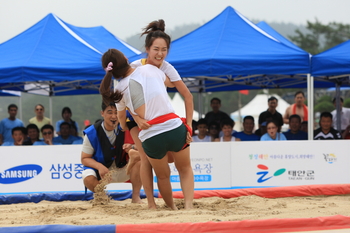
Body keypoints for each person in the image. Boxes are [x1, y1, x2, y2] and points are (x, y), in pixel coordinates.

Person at [100, 48, 194, 210]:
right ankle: (188, 205)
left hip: (149, 132)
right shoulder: (150, 68)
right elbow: (170, 84)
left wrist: (124, 126)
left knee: (161, 175)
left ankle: (169, 207)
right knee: (184, 168)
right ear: (125, 58)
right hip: (171, 124)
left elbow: (122, 117)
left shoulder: (118, 88)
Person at [81, 102, 142, 203]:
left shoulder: (129, 127)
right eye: (110, 112)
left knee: (139, 160)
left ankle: (136, 197)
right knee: (87, 177)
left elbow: (142, 148)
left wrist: (132, 147)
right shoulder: (92, 132)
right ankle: (103, 197)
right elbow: (84, 158)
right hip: (102, 171)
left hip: (123, 168)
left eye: (116, 112)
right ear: (102, 113)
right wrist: (99, 166)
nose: (114, 116)